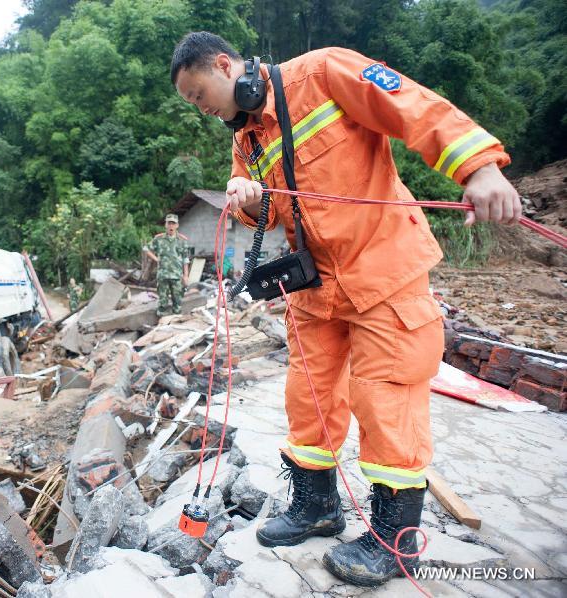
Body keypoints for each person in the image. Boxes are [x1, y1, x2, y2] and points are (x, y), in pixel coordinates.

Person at [171, 32, 520, 586]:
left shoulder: (324, 72)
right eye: (192, 103)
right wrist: (250, 201)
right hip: (315, 287)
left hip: (383, 271)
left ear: (222, 64)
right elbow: (260, 209)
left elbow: (411, 105)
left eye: (198, 94)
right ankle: (317, 507)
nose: (201, 107)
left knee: (384, 398)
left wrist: (478, 166)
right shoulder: (247, 139)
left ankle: (394, 540)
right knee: (308, 399)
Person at [143, 214, 190, 317]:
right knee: (162, 302)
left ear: (177, 225)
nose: (171, 226)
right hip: (163, 275)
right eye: (169, 223)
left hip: (177, 276)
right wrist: (156, 259)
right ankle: (161, 325)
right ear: (165, 225)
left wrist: (186, 276)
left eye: (173, 223)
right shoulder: (159, 239)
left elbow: (185, 259)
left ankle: (176, 324)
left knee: (177, 302)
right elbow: (146, 249)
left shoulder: (182, 241)